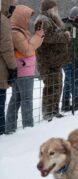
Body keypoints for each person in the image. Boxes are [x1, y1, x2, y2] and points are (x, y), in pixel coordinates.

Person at [5, 5, 44, 134]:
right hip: (24, 71)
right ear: (21, 17)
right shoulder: (16, 32)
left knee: (16, 99)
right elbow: (27, 50)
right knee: (25, 100)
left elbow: (31, 46)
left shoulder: (20, 31)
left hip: (24, 69)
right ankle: (28, 128)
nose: (29, 21)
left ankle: (10, 128)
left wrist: (38, 36)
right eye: (27, 18)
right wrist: (38, 36)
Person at [34, 0, 70, 121]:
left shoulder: (51, 20)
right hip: (47, 61)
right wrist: (64, 36)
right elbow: (46, 37)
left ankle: (55, 111)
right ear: (49, 9)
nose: (57, 10)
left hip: (55, 61)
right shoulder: (42, 20)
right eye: (55, 8)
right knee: (50, 87)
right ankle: (48, 113)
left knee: (57, 86)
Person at [61, 7, 78, 112]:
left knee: (68, 82)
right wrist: (71, 58)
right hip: (70, 60)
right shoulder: (69, 27)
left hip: (74, 59)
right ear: (75, 16)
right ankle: (76, 103)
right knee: (75, 81)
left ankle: (65, 105)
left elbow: (77, 43)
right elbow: (69, 44)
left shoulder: (75, 26)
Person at [0, 0, 17, 135]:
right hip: (1, 71)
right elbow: (6, 47)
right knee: (0, 105)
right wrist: (13, 68)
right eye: (12, 5)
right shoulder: (3, 20)